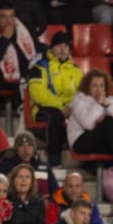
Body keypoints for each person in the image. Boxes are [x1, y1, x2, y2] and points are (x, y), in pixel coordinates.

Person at [28, 32, 82, 162]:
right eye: (59, 46)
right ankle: (53, 156)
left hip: (70, 109)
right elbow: (38, 94)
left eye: (65, 46)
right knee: (55, 115)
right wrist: (61, 106)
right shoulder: (40, 67)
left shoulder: (76, 70)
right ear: (51, 49)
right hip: (45, 108)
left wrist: (73, 107)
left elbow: (82, 93)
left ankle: (84, 156)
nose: (63, 49)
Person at [68, 70, 113, 157]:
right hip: (81, 140)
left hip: (105, 138)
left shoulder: (109, 99)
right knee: (108, 121)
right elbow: (88, 125)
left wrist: (107, 105)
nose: (99, 89)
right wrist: (99, 104)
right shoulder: (79, 100)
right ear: (87, 87)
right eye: (94, 86)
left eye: (101, 86)